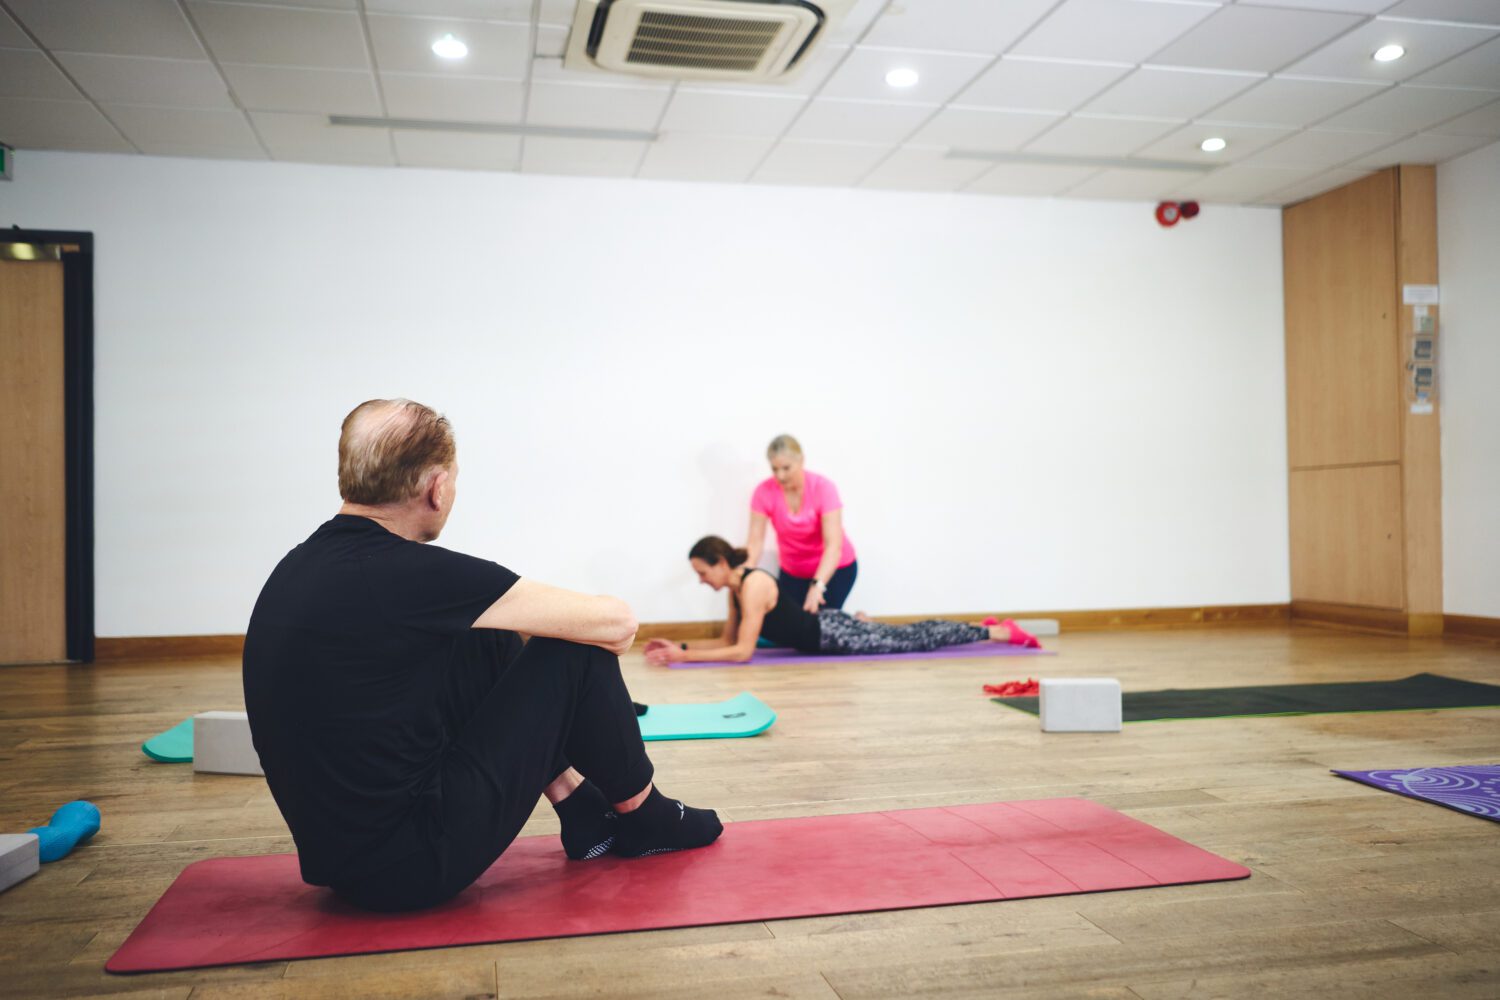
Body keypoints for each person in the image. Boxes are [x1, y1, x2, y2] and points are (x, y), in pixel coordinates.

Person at [243, 399, 721, 912]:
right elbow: (618, 624)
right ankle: (645, 814)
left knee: (484, 634)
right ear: (437, 487)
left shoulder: (296, 566)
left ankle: (582, 812)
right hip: (416, 864)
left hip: (343, 861)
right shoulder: (414, 574)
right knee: (574, 649)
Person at [644, 536, 1039, 665]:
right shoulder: (737, 589)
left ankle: (999, 632)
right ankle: (987, 628)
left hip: (834, 635)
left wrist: (684, 658)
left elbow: (743, 652)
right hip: (830, 629)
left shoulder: (755, 585)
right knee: (902, 633)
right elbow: (727, 643)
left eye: (702, 572)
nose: (700, 581)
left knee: (914, 637)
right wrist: (680, 647)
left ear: (719, 564)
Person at [745, 435, 858, 615]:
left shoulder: (823, 488)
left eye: (786, 468)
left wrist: (818, 585)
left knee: (821, 628)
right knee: (788, 628)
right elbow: (755, 542)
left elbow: (833, 546)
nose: (780, 475)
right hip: (793, 572)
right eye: (775, 469)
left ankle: (861, 621)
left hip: (835, 569)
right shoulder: (763, 491)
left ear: (801, 460)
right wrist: (744, 577)